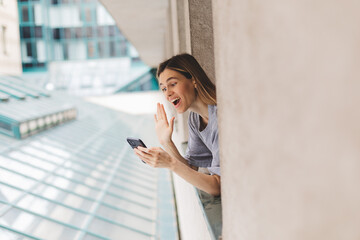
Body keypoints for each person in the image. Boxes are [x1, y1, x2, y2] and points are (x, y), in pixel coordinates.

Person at [134, 53, 221, 196]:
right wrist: (166, 142)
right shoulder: (195, 119)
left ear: (193, 80)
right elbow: (191, 169)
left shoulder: (220, 117)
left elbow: (217, 187)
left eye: (173, 84)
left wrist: (169, 162)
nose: (168, 94)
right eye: (163, 88)